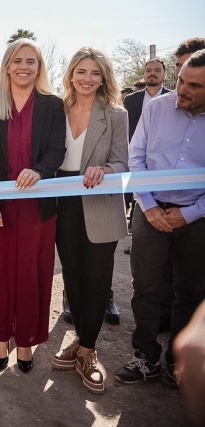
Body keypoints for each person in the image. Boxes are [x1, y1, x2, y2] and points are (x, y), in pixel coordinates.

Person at [0, 38, 65, 373]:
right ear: (7, 65)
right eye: (18, 60)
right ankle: (0, 336)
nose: (24, 67)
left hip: (37, 207)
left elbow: (57, 150)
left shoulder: (53, 105)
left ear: (39, 67)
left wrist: (39, 170)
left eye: (31, 61)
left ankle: (26, 340)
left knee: (32, 274)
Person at [114, 49, 205, 387]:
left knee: (190, 292)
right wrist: (150, 206)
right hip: (148, 211)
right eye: (180, 80)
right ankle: (146, 356)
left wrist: (190, 214)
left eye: (194, 86)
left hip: (197, 217)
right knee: (146, 287)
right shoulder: (156, 108)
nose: (182, 90)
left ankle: (178, 361)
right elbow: (135, 158)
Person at [52, 48, 128, 394]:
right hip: (63, 203)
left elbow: (123, 163)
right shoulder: (57, 109)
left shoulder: (116, 114)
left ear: (104, 78)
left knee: (97, 279)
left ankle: (87, 350)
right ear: (70, 74)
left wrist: (105, 169)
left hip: (99, 202)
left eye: (95, 73)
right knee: (73, 276)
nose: (87, 79)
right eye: (81, 71)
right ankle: (81, 344)